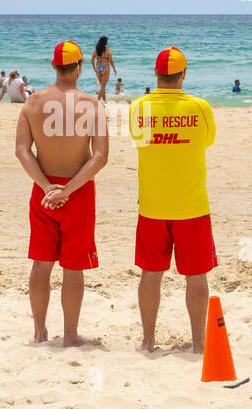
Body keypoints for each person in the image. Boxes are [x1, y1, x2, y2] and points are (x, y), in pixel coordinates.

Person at [15, 41, 108, 346]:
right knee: (73, 266)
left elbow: (22, 152)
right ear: (80, 67)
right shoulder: (92, 105)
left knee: (42, 264)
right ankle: (69, 335)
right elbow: (100, 157)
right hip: (77, 191)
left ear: (54, 67)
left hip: (44, 191)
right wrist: (67, 190)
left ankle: (40, 332)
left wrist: (47, 188)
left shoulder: (33, 102)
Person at [129, 47, 216, 354]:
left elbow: (140, 141)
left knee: (151, 274)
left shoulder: (139, 107)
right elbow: (207, 140)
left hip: (153, 205)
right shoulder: (200, 107)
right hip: (191, 206)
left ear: (156, 74)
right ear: (183, 74)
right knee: (196, 275)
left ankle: (148, 340)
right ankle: (199, 343)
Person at [92, 36, 116, 101]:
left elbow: (92, 60)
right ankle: (97, 102)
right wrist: (114, 69)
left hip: (98, 68)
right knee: (102, 87)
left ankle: (105, 102)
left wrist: (94, 69)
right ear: (105, 42)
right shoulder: (108, 49)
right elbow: (111, 60)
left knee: (102, 87)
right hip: (105, 67)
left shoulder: (95, 49)